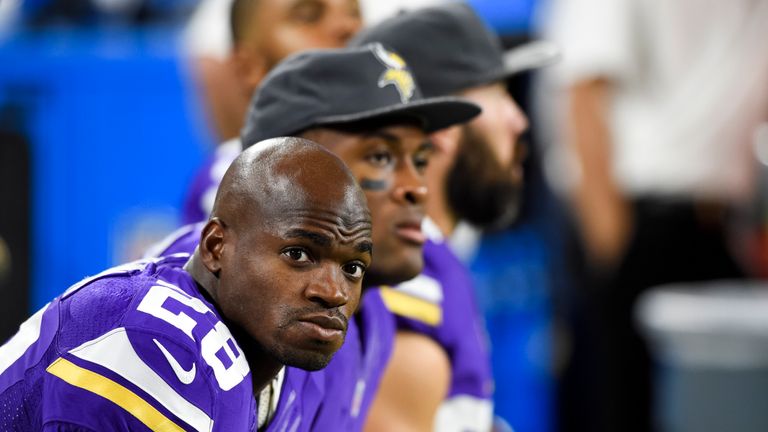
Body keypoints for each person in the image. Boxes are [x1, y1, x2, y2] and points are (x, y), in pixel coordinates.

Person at [149, 43, 481, 431]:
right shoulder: (204, 304)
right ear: (290, 165)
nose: (417, 188)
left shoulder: (365, 312)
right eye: (380, 157)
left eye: (420, 161)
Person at [0, 137, 373, 431]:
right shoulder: (160, 341)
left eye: (353, 267)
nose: (334, 292)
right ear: (215, 247)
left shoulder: (287, 363)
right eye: (298, 254)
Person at [540, 1, 768, 430]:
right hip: (638, 223)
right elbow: (584, 92)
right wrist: (613, 251)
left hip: (722, 228)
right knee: (622, 409)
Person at [350, 4, 559, 430]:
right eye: (500, 94)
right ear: (442, 126)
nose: (519, 121)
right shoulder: (402, 280)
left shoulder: (432, 259)